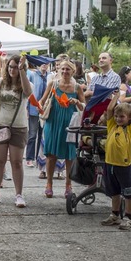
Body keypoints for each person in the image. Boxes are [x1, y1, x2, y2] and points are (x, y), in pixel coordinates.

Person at [0, 55, 32, 208]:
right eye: (10, 67)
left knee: (16, 162)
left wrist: (22, 70)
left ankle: (19, 195)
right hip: (0, 125)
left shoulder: (25, 83)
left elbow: (28, 92)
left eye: (15, 67)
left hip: (19, 127)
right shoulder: (2, 82)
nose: (12, 70)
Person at [38, 60, 85, 198]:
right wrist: (39, 106)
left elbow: (84, 107)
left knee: (70, 155)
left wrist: (76, 101)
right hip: (53, 122)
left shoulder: (77, 87)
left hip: (70, 123)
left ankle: (68, 185)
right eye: (63, 69)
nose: (65, 72)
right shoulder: (54, 84)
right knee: (51, 155)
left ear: (73, 71)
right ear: (59, 70)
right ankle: (49, 184)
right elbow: (42, 100)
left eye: (68, 69)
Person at [100, 93, 131, 230]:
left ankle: (128, 217)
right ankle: (115, 215)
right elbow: (110, 110)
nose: (118, 118)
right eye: (117, 116)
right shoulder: (112, 125)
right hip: (110, 163)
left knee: (128, 193)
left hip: (123, 166)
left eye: (122, 116)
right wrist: (116, 96)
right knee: (114, 192)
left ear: (129, 118)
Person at [26, 62, 50, 168]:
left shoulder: (50, 76)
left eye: (46, 64)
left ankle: (38, 158)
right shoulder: (32, 75)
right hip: (33, 109)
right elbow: (28, 92)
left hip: (45, 110)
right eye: (42, 64)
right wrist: (26, 108)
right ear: (37, 65)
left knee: (42, 136)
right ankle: (29, 158)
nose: (44, 66)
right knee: (32, 135)